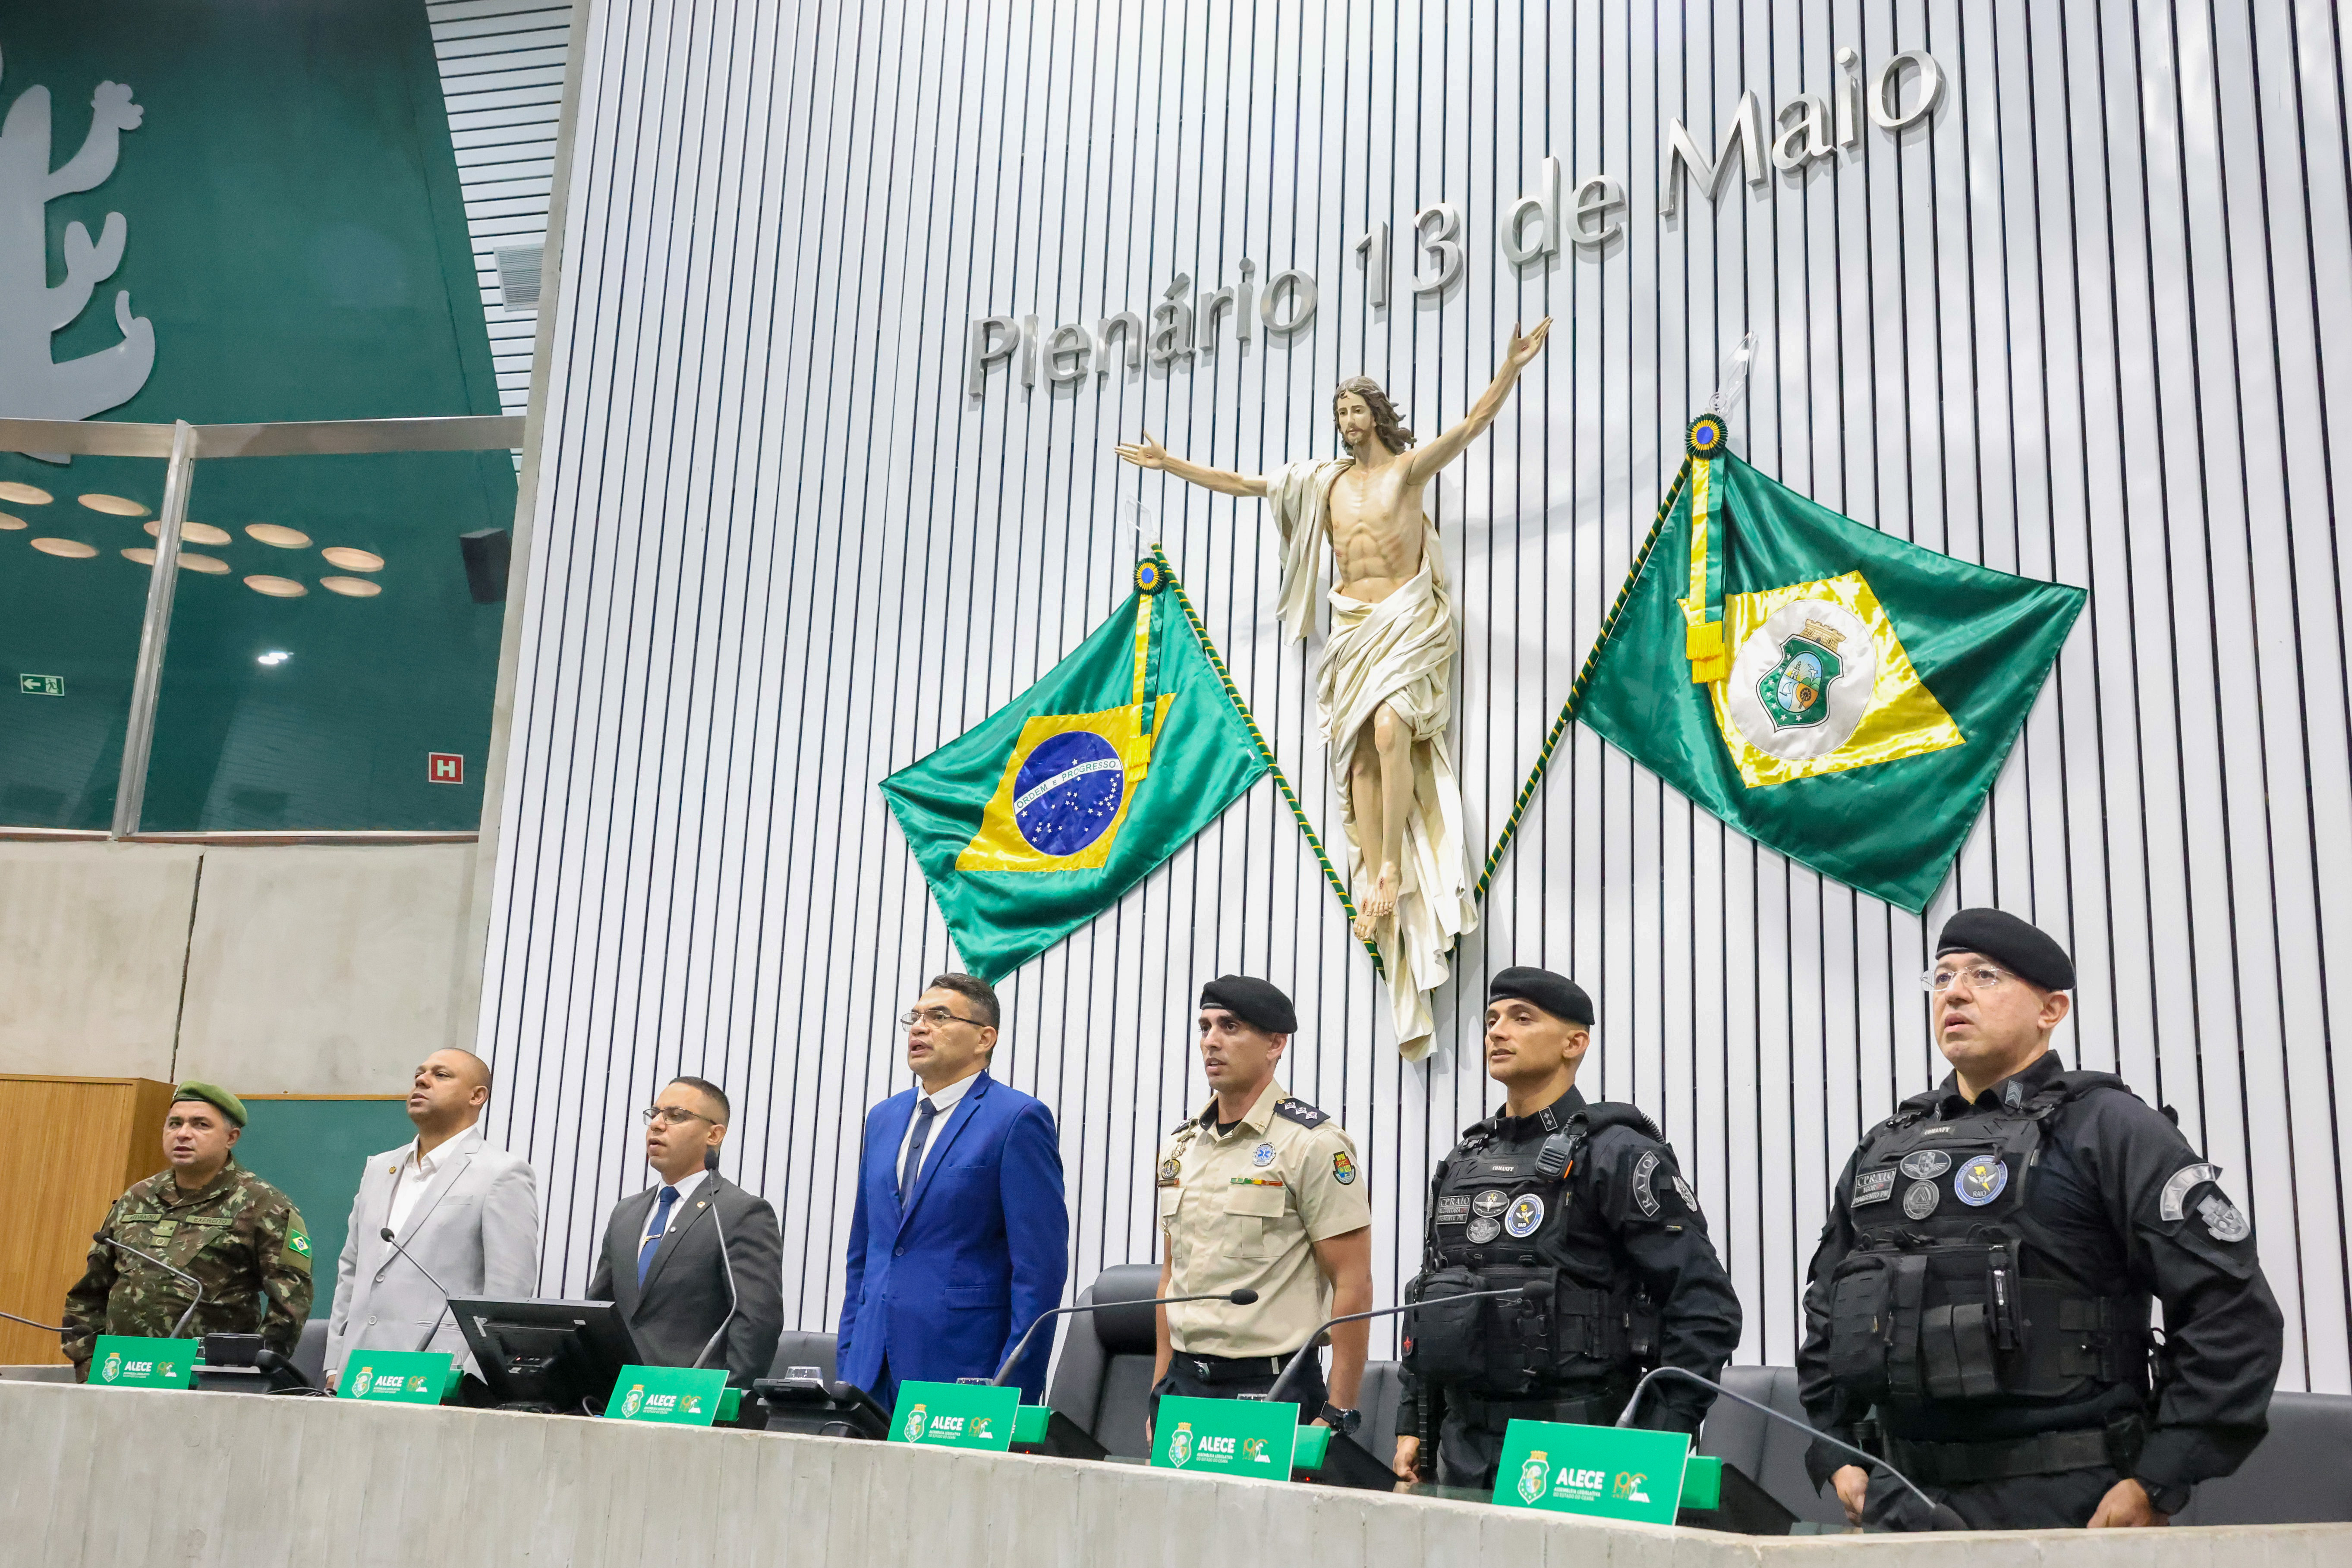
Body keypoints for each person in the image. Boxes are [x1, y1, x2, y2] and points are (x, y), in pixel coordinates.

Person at [1114, 326, 1550, 1059]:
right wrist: (1168, 464)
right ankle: (1377, 866)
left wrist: (1507, 366)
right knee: (1355, 765)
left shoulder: (1407, 472)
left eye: (1357, 411)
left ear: (1378, 415)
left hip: (1404, 617)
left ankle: (1386, 872)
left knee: (1391, 731)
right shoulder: (1324, 483)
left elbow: (1473, 426)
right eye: (1340, 413)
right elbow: (1247, 484)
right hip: (1350, 624)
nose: (1348, 423)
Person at [1798, 909, 2286, 1530]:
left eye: (1984, 975)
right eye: (1941, 976)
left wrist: (2157, 1477)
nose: (1953, 991)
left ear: (2050, 1010)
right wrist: (1836, 1450)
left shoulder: (2108, 1128)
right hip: (1899, 1503)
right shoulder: (1888, 1145)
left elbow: (2231, 1312)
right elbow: (1826, 1309)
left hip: (2066, 1505)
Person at [1393, 968, 1742, 1489]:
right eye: (1491, 1019)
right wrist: (1412, 1423)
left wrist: (1659, 1438)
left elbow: (1705, 1307)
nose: (1497, 1031)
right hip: (1462, 1448)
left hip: (1582, 1447)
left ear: (1574, 1043)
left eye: (1521, 1018)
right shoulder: (1463, 1161)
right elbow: (1430, 1307)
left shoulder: (1618, 1153)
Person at [1150, 976, 1374, 1439]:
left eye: (1230, 1027)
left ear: (1276, 1044)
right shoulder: (1181, 1146)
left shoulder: (1313, 1143)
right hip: (1184, 1385)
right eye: (1205, 1026)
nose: (1210, 1041)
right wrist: (1158, 1388)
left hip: (1271, 1386)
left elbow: (1353, 1281)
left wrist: (1340, 1408)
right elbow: (1171, 1277)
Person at [837, 973, 1070, 1406]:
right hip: (868, 1371)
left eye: (939, 1016)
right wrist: (849, 1357)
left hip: (963, 1370)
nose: (919, 1027)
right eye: (916, 1016)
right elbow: (864, 1252)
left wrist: (1012, 1392)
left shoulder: (1017, 1119)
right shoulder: (884, 1118)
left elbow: (1040, 1270)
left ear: (985, 1038)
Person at [61, 1083, 313, 1377]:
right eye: (175, 1124)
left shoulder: (264, 1205)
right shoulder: (136, 1198)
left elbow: (291, 1304)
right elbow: (89, 1293)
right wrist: (87, 1359)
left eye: (201, 1125)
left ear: (231, 1137)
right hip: (119, 1373)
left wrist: (248, 1371)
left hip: (209, 1380)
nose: (183, 1134)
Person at [325, 1048, 540, 1385]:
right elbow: (352, 1271)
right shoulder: (380, 1168)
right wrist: (335, 1365)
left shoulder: (502, 1173)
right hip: (358, 1373)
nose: (422, 1081)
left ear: (477, 1096)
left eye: (441, 1075)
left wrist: (472, 1379)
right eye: (419, 1075)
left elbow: (509, 1292)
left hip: (437, 1376)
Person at [588, 1076, 784, 1388]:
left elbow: (756, 1324)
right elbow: (600, 1312)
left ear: (714, 1134)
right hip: (619, 1402)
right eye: (653, 1114)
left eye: (676, 1116)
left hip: (692, 1406)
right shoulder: (626, 1214)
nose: (656, 1125)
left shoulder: (740, 1213)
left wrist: (723, 1402)